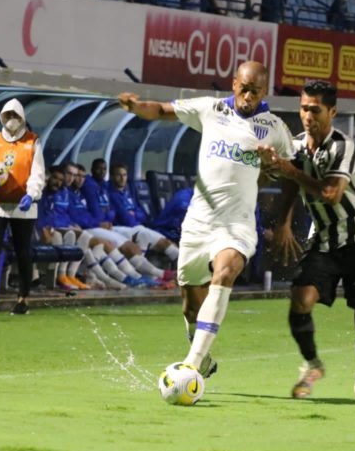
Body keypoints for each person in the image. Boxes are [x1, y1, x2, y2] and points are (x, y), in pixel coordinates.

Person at [117, 60, 294, 380]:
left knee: (225, 272)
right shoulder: (210, 109)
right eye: (244, 88)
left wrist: (277, 180)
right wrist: (135, 107)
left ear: (264, 91)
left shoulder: (274, 128)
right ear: (234, 84)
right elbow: (160, 110)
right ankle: (202, 351)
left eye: (256, 90)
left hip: (237, 223)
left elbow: (294, 171)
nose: (248, 96)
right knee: (189, 307)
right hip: (199, 222)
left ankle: (191, 365)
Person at [264, 81, 355, 402]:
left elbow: (331, 194)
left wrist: (291, 171)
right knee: (300, 299)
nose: (307, 116)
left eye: (315, 110)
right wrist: (285, 223)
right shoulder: (296, 145)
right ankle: (312, 364)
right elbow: (289, 184)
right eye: (303, 108)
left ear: (332, 112)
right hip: (324, 240)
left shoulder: (344, 146)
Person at [0, 99, 45, 316]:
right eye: (8, 115)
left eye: (15, 116)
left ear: (22, 118)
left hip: (23, 205)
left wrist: (31, 195)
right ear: (2, 117)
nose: (11, 120)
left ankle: (22, 299)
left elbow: (37, 172)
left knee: (22, 252)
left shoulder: (33, 141)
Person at [107, 163, 180, 264]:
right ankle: (143, 271)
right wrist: (135, 216)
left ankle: (183, 269)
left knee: (167, 242)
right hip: (126, 228)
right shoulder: (111, 194)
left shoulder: (128, 193)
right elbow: (126, 218)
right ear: (112, 176)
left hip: (138, 226)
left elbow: (143, 214)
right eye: (118, 175)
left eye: (124, 175)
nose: (122, 178)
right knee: (148, 237)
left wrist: (135, 214)